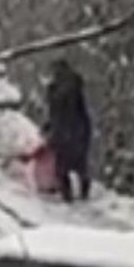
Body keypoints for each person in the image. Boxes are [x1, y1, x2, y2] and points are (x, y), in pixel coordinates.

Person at [45, 58, 92, 202]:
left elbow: (61, 112)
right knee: (78, 164)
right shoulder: (72, 85)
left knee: (62, 166)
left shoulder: (61, 89)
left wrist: (55, 128)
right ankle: (81, 191)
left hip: (67, 130)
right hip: (78, 129)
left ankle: (69, 196)